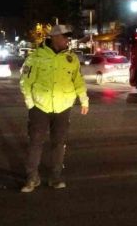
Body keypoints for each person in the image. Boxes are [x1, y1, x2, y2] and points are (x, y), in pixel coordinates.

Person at [19, 24, 89, 193]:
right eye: (65, 37)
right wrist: (31, 104)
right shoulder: (36, 57)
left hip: (63, 107)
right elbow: (25, 82)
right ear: (55, 38)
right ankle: (32, 178)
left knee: (59, 144)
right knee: (35, 143)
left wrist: (84, 100)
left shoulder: (71, 58)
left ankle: (55, 177)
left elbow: (78, 80)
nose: (67, 40)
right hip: (39, 107)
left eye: (68, 37)